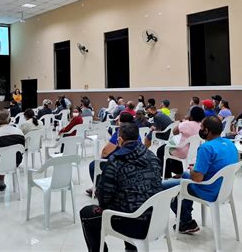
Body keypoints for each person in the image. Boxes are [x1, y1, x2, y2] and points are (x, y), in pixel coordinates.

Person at [80, 123, 163, 252]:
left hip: (133, 223)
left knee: (87, 214)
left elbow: (103, 197)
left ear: (120, 140)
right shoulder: (153, 157)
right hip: (156, 220)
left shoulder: (115, 161)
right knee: (131, 200)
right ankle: (131, 248)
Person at [162, 116, 238, 234]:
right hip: (222, 189)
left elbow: (197, 178)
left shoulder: (206, 147)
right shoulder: (229, 143)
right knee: (184, 177)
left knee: (164, 186)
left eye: (202, 127)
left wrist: (193, 170)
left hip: (208, 190)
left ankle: (186, 222)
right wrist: (187, 173)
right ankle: (186, 220)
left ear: (207, 130)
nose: (200, 129)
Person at [87, 112, 142, 192]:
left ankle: (99, 189)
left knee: (93, 165)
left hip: (121, 162)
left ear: (122, 122)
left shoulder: (119, 133)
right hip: (135, 159)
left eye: (118, 120)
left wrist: (103, 157)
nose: (117, 121)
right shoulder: (136, 130)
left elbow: (105, 152)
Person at [162, 106, 205, 179]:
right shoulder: (202, 126)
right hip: (196, 153)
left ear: (191, 115)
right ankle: (179, 173)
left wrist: (185, 121)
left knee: (161, 150)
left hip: (182, 151)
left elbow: (174, 131)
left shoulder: (186, 124)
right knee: (170, 149)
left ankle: (167, 176)